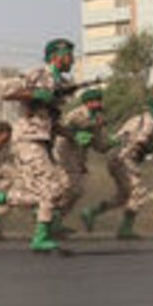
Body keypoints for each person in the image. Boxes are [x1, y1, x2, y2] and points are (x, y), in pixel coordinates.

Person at [0, 39, 77, 252]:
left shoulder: (59, 83)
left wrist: (71, 134)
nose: (72, 59)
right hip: (27, 139)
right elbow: (7, 91)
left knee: (51, 190)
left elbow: (51, 119)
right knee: (51, 188)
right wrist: (36, 93)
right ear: (56, 56)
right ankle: (40, 237)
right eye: (69, 55)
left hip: (42, 141)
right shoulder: (39, 74)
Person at [82, 93, 153, 238]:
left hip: (115, 157)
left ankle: (92, 212)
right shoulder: (152, 122)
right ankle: (125, 229)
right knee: (139, 193)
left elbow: (120, 136)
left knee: (124, 196)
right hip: (125, 160)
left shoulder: (135, 119)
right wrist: (150, 148)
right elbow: (141, 141)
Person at [53, 88, 108, 233]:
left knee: (75, 191)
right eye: (97, 101)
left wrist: (111, 142)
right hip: (64, 154)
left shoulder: (97, 118)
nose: (100, 104)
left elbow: (99, 145)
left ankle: (55, 219)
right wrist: (76, 134)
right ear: (88, 103)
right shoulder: (75, 115)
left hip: (78, 158)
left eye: (100, 100)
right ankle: (49, 218)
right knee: (68, 188)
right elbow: (60, 130)